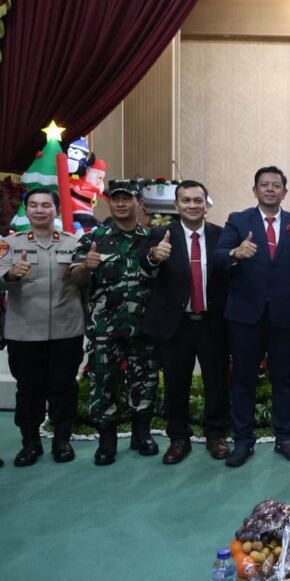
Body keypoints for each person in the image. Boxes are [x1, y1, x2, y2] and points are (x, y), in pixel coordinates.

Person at [213, 166, 290, 468]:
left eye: (276, 185)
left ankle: (285, 437)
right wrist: (235, 253)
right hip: (245, 316)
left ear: (285, 192)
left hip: (285, 316)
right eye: (264, 184)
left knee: (282, 379)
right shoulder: (238, 220)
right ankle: (243, 441)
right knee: (243, 380)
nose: (270, 189)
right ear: (255, 190)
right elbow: (218, 257)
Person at [71, 179, 160, 466]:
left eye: (127, 198)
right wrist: (85, 266)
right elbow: (75, 277)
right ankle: (106, 441)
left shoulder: (152, 238)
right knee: (104, 382)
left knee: (145, 381)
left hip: (143, 325)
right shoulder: (93, 238)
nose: (120, 203)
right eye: (115, 198)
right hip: (104, 327)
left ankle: (141, 434)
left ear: (139, 203)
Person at [141, 180, 231, 464]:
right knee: (176, 385)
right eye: (186, 200)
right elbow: (144, 265)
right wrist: (154, 256)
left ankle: (216, 435)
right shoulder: (160, 234)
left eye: (198, 200)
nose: (192, 205)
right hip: (176, 325)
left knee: (216, 383)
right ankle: (178, 438)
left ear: (206, 204)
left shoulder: (221, 235)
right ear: (176, 205)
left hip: (212, 323)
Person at [0, 189, 86, 465]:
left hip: (66, 330)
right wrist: (11, 275)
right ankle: (30, 443)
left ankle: (62, 441)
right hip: (24, 332)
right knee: (29, 389)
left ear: (56, 211)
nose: (39, 210)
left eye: (46, 205)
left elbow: (85, 281)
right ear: (26, 210)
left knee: (64, 388)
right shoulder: (10, 244)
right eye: (34, 205)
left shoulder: (73, 243)